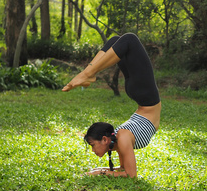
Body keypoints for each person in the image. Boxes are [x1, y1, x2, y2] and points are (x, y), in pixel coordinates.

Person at [62, 33, 161, 177]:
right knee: (125, 41)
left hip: (145, 97)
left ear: (104, 139)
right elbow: (125, 171)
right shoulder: (121, 138)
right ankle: (88, 73)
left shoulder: (122, 137)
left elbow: (130, 175)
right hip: (144, 97)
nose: (92, 150)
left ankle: (88, 73)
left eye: (93, 145)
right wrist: (101, 171)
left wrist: (102, 172)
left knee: (122, 40)